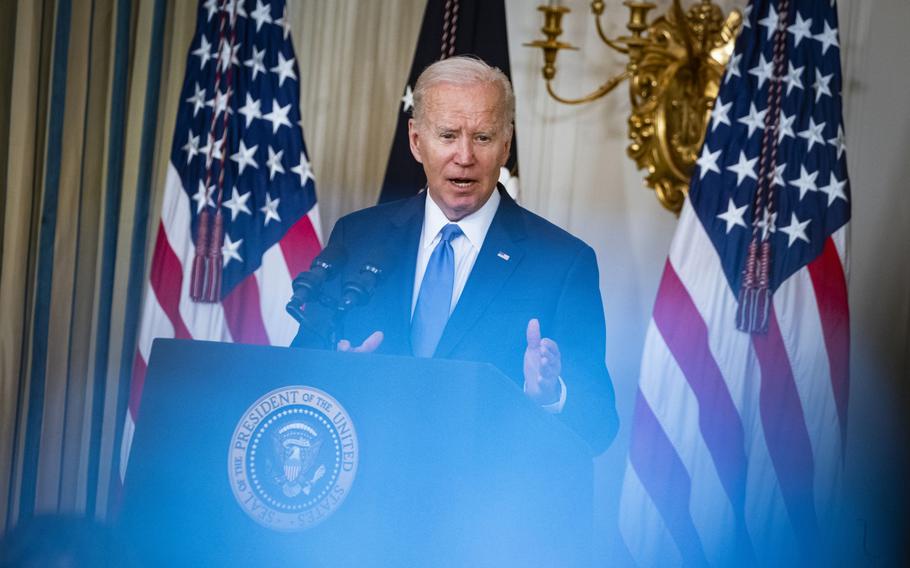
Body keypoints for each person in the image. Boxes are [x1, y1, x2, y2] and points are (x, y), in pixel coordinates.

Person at [293, 56, 617, 453]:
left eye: (482, 137)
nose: (465, 156)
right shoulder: (358, 235)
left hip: (483, 506)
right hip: (367, 493)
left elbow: (599, 422)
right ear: (416, 141)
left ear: (506, 144)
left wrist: (550, 393)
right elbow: (298, 371)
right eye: (448, 135)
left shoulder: (562, 263)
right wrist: (337, 373)